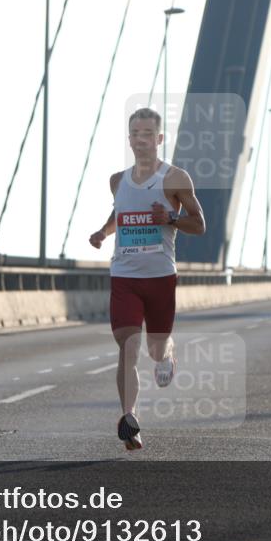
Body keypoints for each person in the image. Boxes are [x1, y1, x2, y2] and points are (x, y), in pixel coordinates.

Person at [89, 108, 206, 450]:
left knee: (154, 350)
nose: (139, 140)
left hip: (160, 278)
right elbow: (119, 211)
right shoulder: (117, 180)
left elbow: (199, 224)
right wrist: (103, 232)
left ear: (158, 139)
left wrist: (170, 217)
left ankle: (167, 354)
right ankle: (130, 420)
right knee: (128, 348)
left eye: (146, 134)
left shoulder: (175, 179)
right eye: (134, 134)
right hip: (124, 276)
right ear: (130, 140)